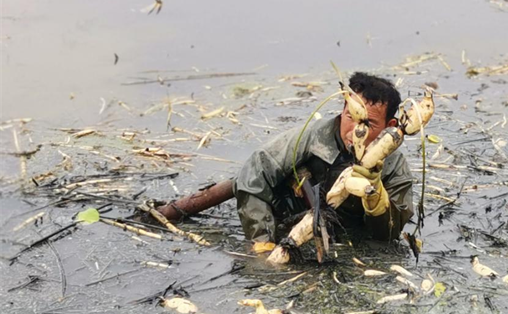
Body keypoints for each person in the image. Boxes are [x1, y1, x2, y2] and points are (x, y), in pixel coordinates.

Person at [155, 72, 414, 260]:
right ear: (342, 109)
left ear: (390, 128)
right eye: (351, 117)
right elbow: (253, 175)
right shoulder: (308, 138)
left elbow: (390, 232)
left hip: (344, 234)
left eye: (369, 124)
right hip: (290, 218)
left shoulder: (393, 165)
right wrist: (262, 242)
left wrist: (375, 194)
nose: (356, 130)